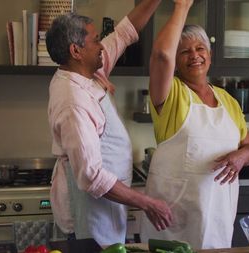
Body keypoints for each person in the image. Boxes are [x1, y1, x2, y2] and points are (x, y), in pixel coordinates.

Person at [46, 0, 173, 246]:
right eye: (95, 40)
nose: (101, 46)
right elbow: (91, 177)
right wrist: (147, 202)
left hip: (107, 209)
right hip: (89, 221)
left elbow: (126, 32)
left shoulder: (86, 71)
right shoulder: (73, 101)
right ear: (76, 51)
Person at [140, 0, 249, 249]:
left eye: (200, 48)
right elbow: (161, 55)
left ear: (210, 55)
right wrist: (181, 6)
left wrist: (240, 157)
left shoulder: (228, 101)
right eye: (184, 51)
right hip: (174, 220)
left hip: (217, 216)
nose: (194, 55)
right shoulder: (171, 94)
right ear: (175, 59)